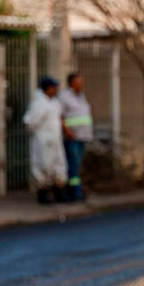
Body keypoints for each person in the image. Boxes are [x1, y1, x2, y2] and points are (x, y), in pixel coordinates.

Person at [23, 77, 68, 204]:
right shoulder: (39, 103)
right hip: (44, 141)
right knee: (44, 166)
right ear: (47, 88)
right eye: (54, 87)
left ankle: (59, 190)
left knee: (59, 164)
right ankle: (43, 192)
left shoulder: (54, 102)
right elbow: (31, 123)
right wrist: (42, 136)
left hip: (56, 139)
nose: (56, 90)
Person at [58, 71, 93, 201]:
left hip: (83, 136)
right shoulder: (64, 96)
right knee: (72, 165)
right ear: (71, 83)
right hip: (72, 137)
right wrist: (67, 131)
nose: (81, 84)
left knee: (76, 166)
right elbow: (59, 115)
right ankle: (74, 192)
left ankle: (76, 190)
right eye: (79, 82)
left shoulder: (80, 95)